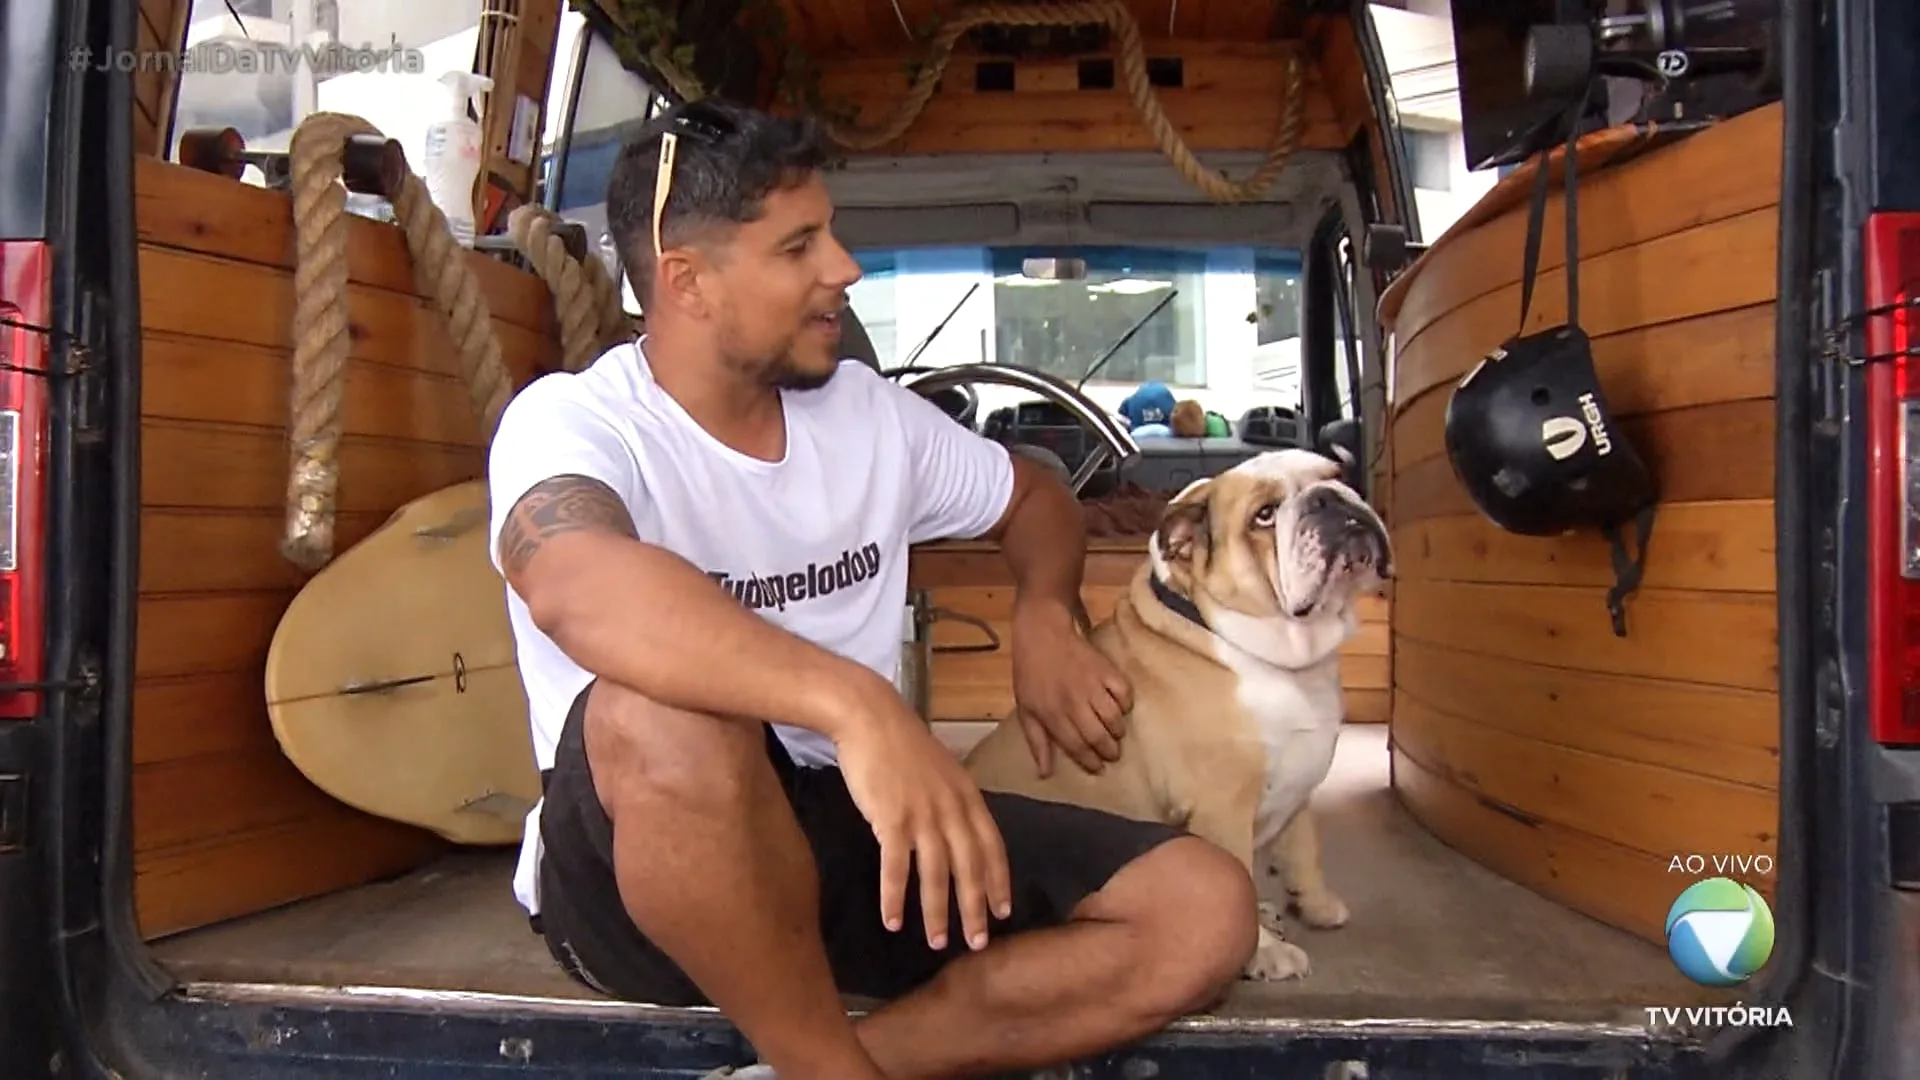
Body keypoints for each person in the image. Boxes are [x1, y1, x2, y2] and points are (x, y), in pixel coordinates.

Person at [484, 97, 1259, 1080]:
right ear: (688, 282)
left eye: (832, 235)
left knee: (1203, 908)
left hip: (845, 835)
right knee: (662, 710)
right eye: (799, 246)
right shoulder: (575, 422)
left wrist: (1044, 615)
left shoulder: (869, 418)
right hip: (639, 884)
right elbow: (577, 586)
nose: (842, 269)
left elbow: (1036, 496)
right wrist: (860, 709)